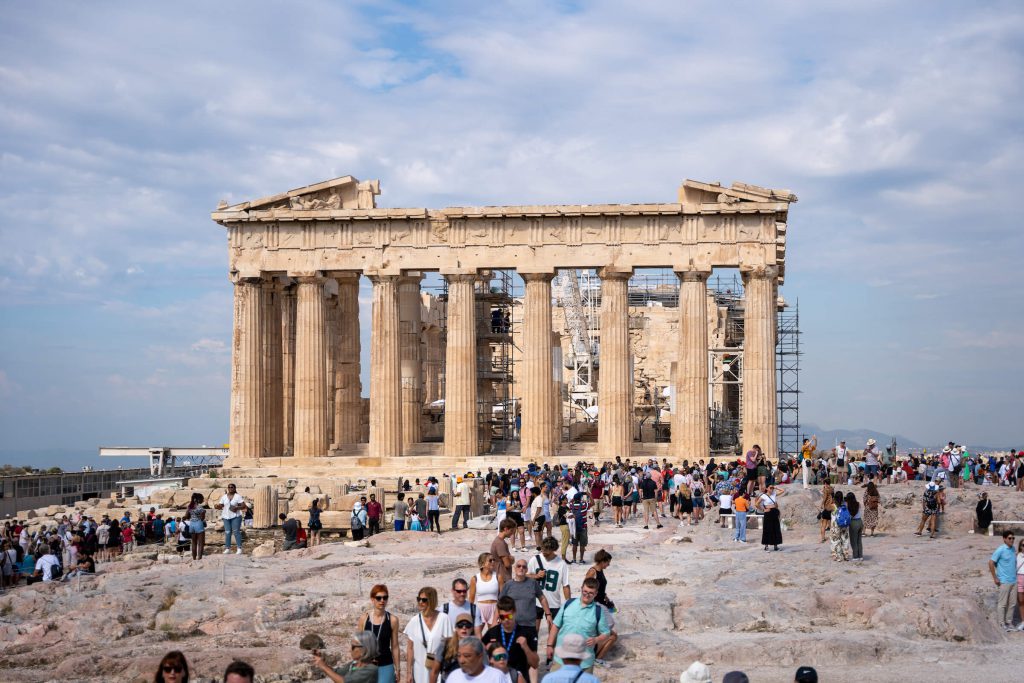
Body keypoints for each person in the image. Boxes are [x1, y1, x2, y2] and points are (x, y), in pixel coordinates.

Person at [546, 577, 612, 673]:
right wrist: (549, 645)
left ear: (596, 594)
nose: (587, 595)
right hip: (561, 659)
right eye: (585, 591)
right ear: (581, 588)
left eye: (591, 593)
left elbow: (606, 633)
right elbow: (556, 626)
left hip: (584, 663)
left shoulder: (598, 611)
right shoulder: (568, 603)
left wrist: (596, 639)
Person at [481, 597, 538, 683]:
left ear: (514, 612)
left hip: (519, 679)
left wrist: (525, 647)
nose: (506, 620)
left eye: (509, 616)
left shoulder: (526, 633)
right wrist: (487, 651)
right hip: (497, 679)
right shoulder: (492, 632)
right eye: (502, 617)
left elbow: (535, 664)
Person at [404, 587, 453, 683]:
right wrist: (409, 672)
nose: (420, 602)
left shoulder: (444, 619)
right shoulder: (414, 621)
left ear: (432, 601)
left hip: (439, 670)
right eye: (419, 599)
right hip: (419, 672)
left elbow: (450, 645)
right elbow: (410, 648)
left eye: (424, 600)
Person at [359, 584, 401, 683]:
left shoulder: (393, 620)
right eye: (378, 598)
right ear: (372, 599)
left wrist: (398, 669)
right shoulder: (364, 619)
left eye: (385, 597)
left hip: (386, 665)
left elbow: (395, 646)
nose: (382, 600)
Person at [528, 536, 571, 630]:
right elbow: (525, 576)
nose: (543, 553)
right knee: (533, 631)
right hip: (536, 601)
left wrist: (568, 603)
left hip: (554, 603)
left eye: (546, 552)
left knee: (553, 632)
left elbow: (565, 585)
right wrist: (536, 576)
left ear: (553, 550)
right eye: (542, 550)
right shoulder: (534, 560)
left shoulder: (562, 564)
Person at [500, 559, 551, 634]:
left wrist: (548, 614)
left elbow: (542, 598)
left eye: (524, 567)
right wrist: (500, 619)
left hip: (529, 625)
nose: (521, 568)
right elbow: (500, 603)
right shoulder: (508, 585)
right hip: (511, 625)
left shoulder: (533, 583)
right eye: (519, 566)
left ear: (526, 570)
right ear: (515, 568)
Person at [313, 632, 380, 683]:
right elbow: (336, 673)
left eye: (353, 647)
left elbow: (344, 682)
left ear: (364, 649)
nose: (350, 650)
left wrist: (324, 667)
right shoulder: (354, 664)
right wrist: (322, 662)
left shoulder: (371, 670)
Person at [988, 530, 1018, 631]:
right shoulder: (1000, 549)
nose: (1012, 540)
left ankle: (1009, 622)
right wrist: (995, 577)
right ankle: (1001, 623)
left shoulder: (1013, 549)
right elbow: (991, 562)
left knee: (1013, 603)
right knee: (1003, 603)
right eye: (1010, 538)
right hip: (1004, 581)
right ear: (1004, 539)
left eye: (1013, 538)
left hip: (1014, 580)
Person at [429, 616, 475, 682]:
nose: (464, 628)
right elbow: (435, 671)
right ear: (456, 628)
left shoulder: (477, 646)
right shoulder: (445, 644)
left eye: (468, 625)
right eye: (460, 625)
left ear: (472, 629)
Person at [469, 552, 503, 628]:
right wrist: (470, 614)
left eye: (494, 560)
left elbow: (502, 597)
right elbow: (471, 599)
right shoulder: (475, 579)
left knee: (494, 636)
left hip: (494, 608)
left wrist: (502, 613)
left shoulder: (498, 577)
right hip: (480, 609)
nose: (493, 562)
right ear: (483, 563)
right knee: (477, 636)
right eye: (490, 560)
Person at [215, 483, 246, 555]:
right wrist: (217, 506)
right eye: (229, 487)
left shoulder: (237, 496)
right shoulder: (224, 497)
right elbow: (221, 505)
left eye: (232, 487)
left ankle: (239, 548)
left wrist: (237, 508)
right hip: (226, 516)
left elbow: (243, 505)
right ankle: (227, 548)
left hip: (236, 516)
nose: (230, 488)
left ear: (235, 488)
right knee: (228, 532)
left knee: (236, 532)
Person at [756, 484, 786, 551]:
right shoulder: (763, 496)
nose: (772, 489)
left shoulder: (774, 494)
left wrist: (776, 487)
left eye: (772, 488)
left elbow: (783, 490)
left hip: (774, 512)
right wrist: (763, 510)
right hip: (768, 512)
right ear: (767, 488)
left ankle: (776, 546)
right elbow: (756, 504)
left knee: (776, 528)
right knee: (767, 528)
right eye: (770, 488)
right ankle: (766, 546)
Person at [186, 492, 207, 560]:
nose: (202, 500)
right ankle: (199, 559)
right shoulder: (200, 507)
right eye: (201, 499)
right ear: (198, 500)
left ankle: (194, 558)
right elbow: (202, 518)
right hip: (198, 524)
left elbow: (187, 516)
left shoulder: (189, 507)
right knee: (200, 543)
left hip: (191, 524)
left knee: (194, 543)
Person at [846, 491, 864, 562]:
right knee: (859, 540)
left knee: (853, 540)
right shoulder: (858, 504)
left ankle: (855, 556)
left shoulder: (849, 506)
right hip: (860, 522)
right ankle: (860, 556)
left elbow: (850, 516)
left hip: (853, 523)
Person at [1016, 538, 1024, 632]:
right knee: (1021, 601)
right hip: (1019, 579)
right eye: (1023, 545)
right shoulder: (1017, 556)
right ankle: (1023, 621)